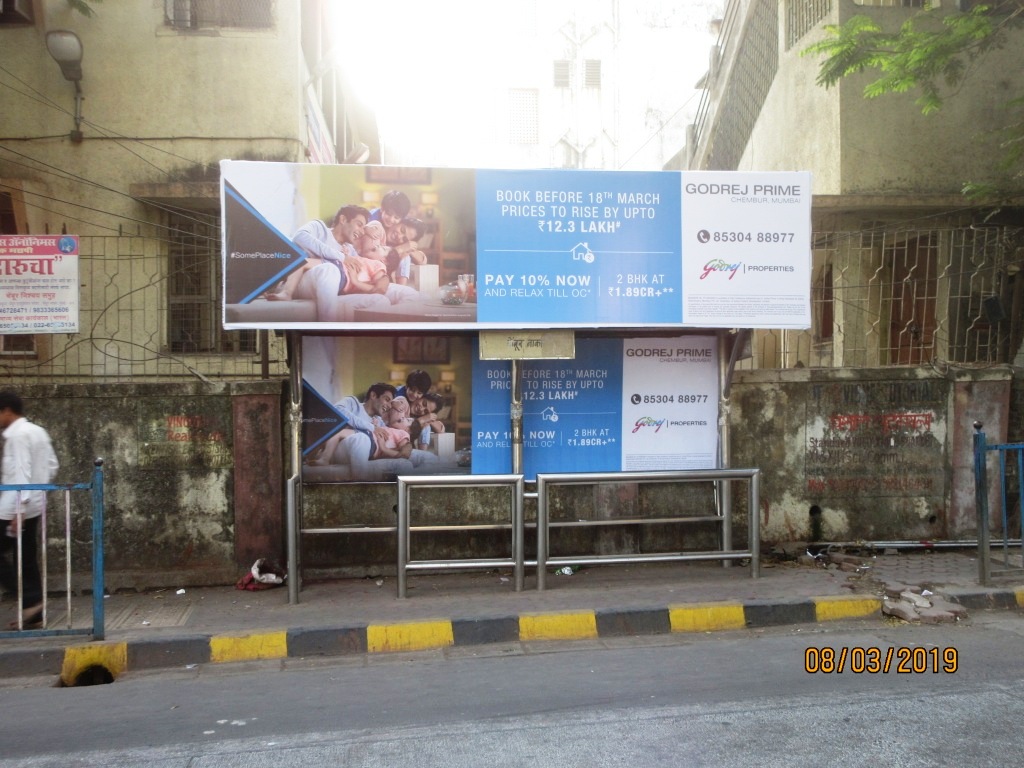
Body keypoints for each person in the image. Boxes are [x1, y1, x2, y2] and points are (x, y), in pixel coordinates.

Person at [269, 204, 389, 322]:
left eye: (363, 228)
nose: (361, 231)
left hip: (328, 291)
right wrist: (341, 257)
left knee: (381, 300)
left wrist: (384, 278)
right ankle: (326, 328)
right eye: (359, 224)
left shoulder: (350, 250)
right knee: (330, 269)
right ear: (343, 219)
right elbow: (299, 237)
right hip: (300, 281)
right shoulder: (319, 228)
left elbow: (367, 266)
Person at [0, 391, 59, 630]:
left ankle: (28, 598)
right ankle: (34, 609)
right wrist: (37, 496)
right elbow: (53, 466)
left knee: (18, 555)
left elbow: (22, 472)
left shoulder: (18, 436)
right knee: (26, 556)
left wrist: (19, 510)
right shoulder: (38, 431)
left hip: (13, 509)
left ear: (7, 411)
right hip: (33, 506)